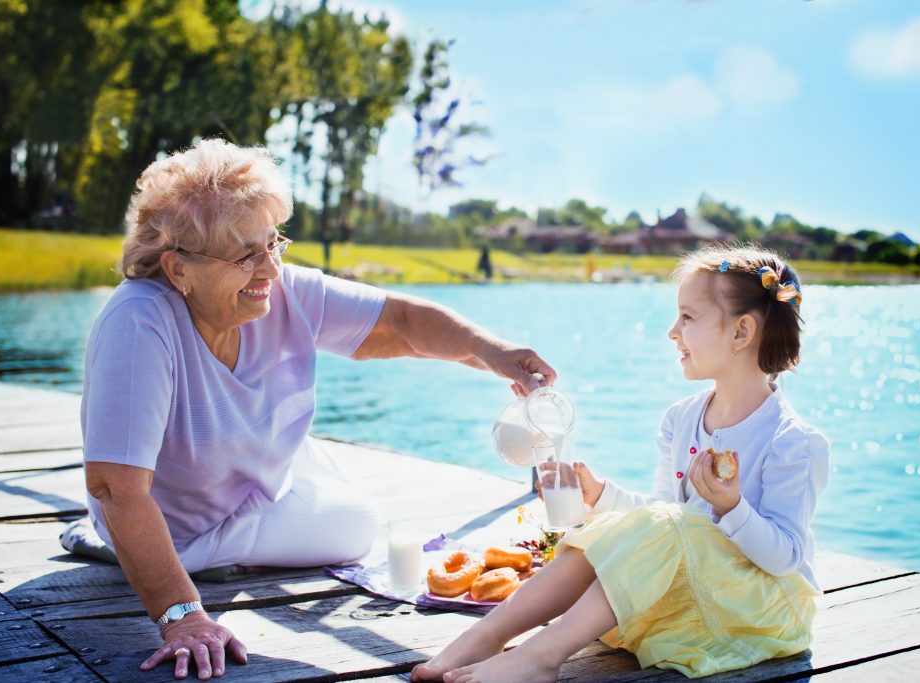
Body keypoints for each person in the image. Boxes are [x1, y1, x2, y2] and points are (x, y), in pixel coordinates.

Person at [78, 138, 556, 680]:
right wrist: (182, 616)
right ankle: (123, 546)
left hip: (246, 479)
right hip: (181, 525)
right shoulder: (138, 323)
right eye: (243, 256)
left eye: (272, 244)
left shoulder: (276, 291)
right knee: (351, 525)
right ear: (178, 268)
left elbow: (399, 322)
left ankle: (191, 536)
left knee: (343, 505)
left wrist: (495, 354)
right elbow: (117, 488)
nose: (270, 271)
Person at [412, 245, 830, 682]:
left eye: (687, 317)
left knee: (668, 525)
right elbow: (663, 520)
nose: (672, 331)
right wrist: (602, 496)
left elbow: (786, 558)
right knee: (607, 530)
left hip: (763, 614)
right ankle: (487, 636)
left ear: (741, 332)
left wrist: (732, 507)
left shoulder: (792, 442)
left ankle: (540, 659)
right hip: (700, 593)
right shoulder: (681, 419)